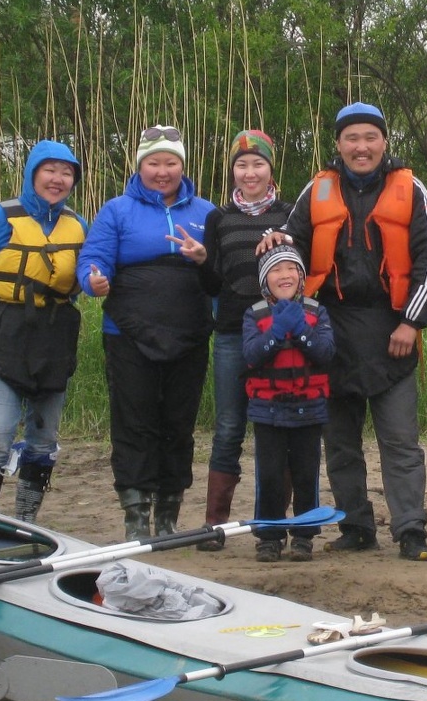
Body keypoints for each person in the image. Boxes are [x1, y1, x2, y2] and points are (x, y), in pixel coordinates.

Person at [259, 102, 427, 561]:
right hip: (331, 330)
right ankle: (356, 524)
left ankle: (411, 529)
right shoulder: (318, 188)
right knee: (339, 443)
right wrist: (274, 239)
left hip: (392, 328)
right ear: (339, 144)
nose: (361, 147)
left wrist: (411, 322)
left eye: (370, 138)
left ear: (384, 141)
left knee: (399, 441)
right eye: (351, 139)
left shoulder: (412, 188)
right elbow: (291, 243)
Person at [77, 124, 216, 540]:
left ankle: (169, 512)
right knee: (134, 421)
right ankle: (135, 512)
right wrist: (94, 280)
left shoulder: (207, 213)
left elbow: (222, 273)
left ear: (182, 166)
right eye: (153, 163)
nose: (162, 171)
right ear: (140, 166)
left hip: (189, 333)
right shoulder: (116, 210)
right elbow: (93, 259)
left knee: (178, 422)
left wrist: (204, 257)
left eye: (170, 162)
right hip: (127, 333)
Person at [0, 140, 87, 523]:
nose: (58, 179)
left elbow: (88, 273)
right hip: (2, 332)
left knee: (43, 439)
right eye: (50, 170)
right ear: (32, 173)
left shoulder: (77, 225)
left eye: (67, 173)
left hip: (53, 335)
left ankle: (25, 520)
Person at [196, 131, 292, 550]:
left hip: (283, 334)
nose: (249, 172)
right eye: (241, 164)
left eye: (258, 164)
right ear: (231, 170)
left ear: (271, 169)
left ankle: (268, 527)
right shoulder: (218, 218)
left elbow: (300, 275)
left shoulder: (291, 215)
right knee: (230, 426)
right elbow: (214, 283)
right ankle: (214, 525)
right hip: (233, 332)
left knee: (277, 426)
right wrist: (201, 261)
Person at [241, 245, 335, 563]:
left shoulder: (316, 311)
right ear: (265, 280)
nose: (285, 276)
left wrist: (302, 330)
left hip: (309, 409)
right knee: (269, 476)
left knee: (306, 474)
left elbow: (325, 353)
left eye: (291, 269)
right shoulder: (254, 313)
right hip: (267, 410)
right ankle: (269, 537)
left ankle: (304, 536)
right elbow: (252, 356)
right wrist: (278, 331)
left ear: (301, 276)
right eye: (276, 270)